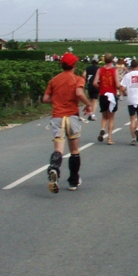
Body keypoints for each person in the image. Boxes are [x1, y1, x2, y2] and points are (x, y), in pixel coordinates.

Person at [43, 52, 93, 192]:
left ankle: (54, 168)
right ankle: (73, 180)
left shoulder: (54, 80)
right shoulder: (77, 79)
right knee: (74, 150)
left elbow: (45, 99)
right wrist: (88, 105)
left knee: (58, 148)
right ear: (74, 65)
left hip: (57, 116)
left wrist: (58, 100)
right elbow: (78, 93)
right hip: (71, 116)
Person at [93, 53, 119, 144]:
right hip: (112, 95)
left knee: (104, 116)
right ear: (112, 60)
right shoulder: (114, 70)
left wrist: (100, 87)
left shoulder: (100, 70)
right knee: (111, 117)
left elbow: (95, 83)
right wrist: (121, 88)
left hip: (103, 95)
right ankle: (110, 138)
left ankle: (102, 128)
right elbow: (117, 84)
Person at [83, 55, 99, 121]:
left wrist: (86, 80)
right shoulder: (98, 69)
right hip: (95, 85)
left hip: (89, 85)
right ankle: (93, 114)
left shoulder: (87, 68)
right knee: (95, 100)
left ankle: (90, 113)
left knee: (91, 99)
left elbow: (83, 75)